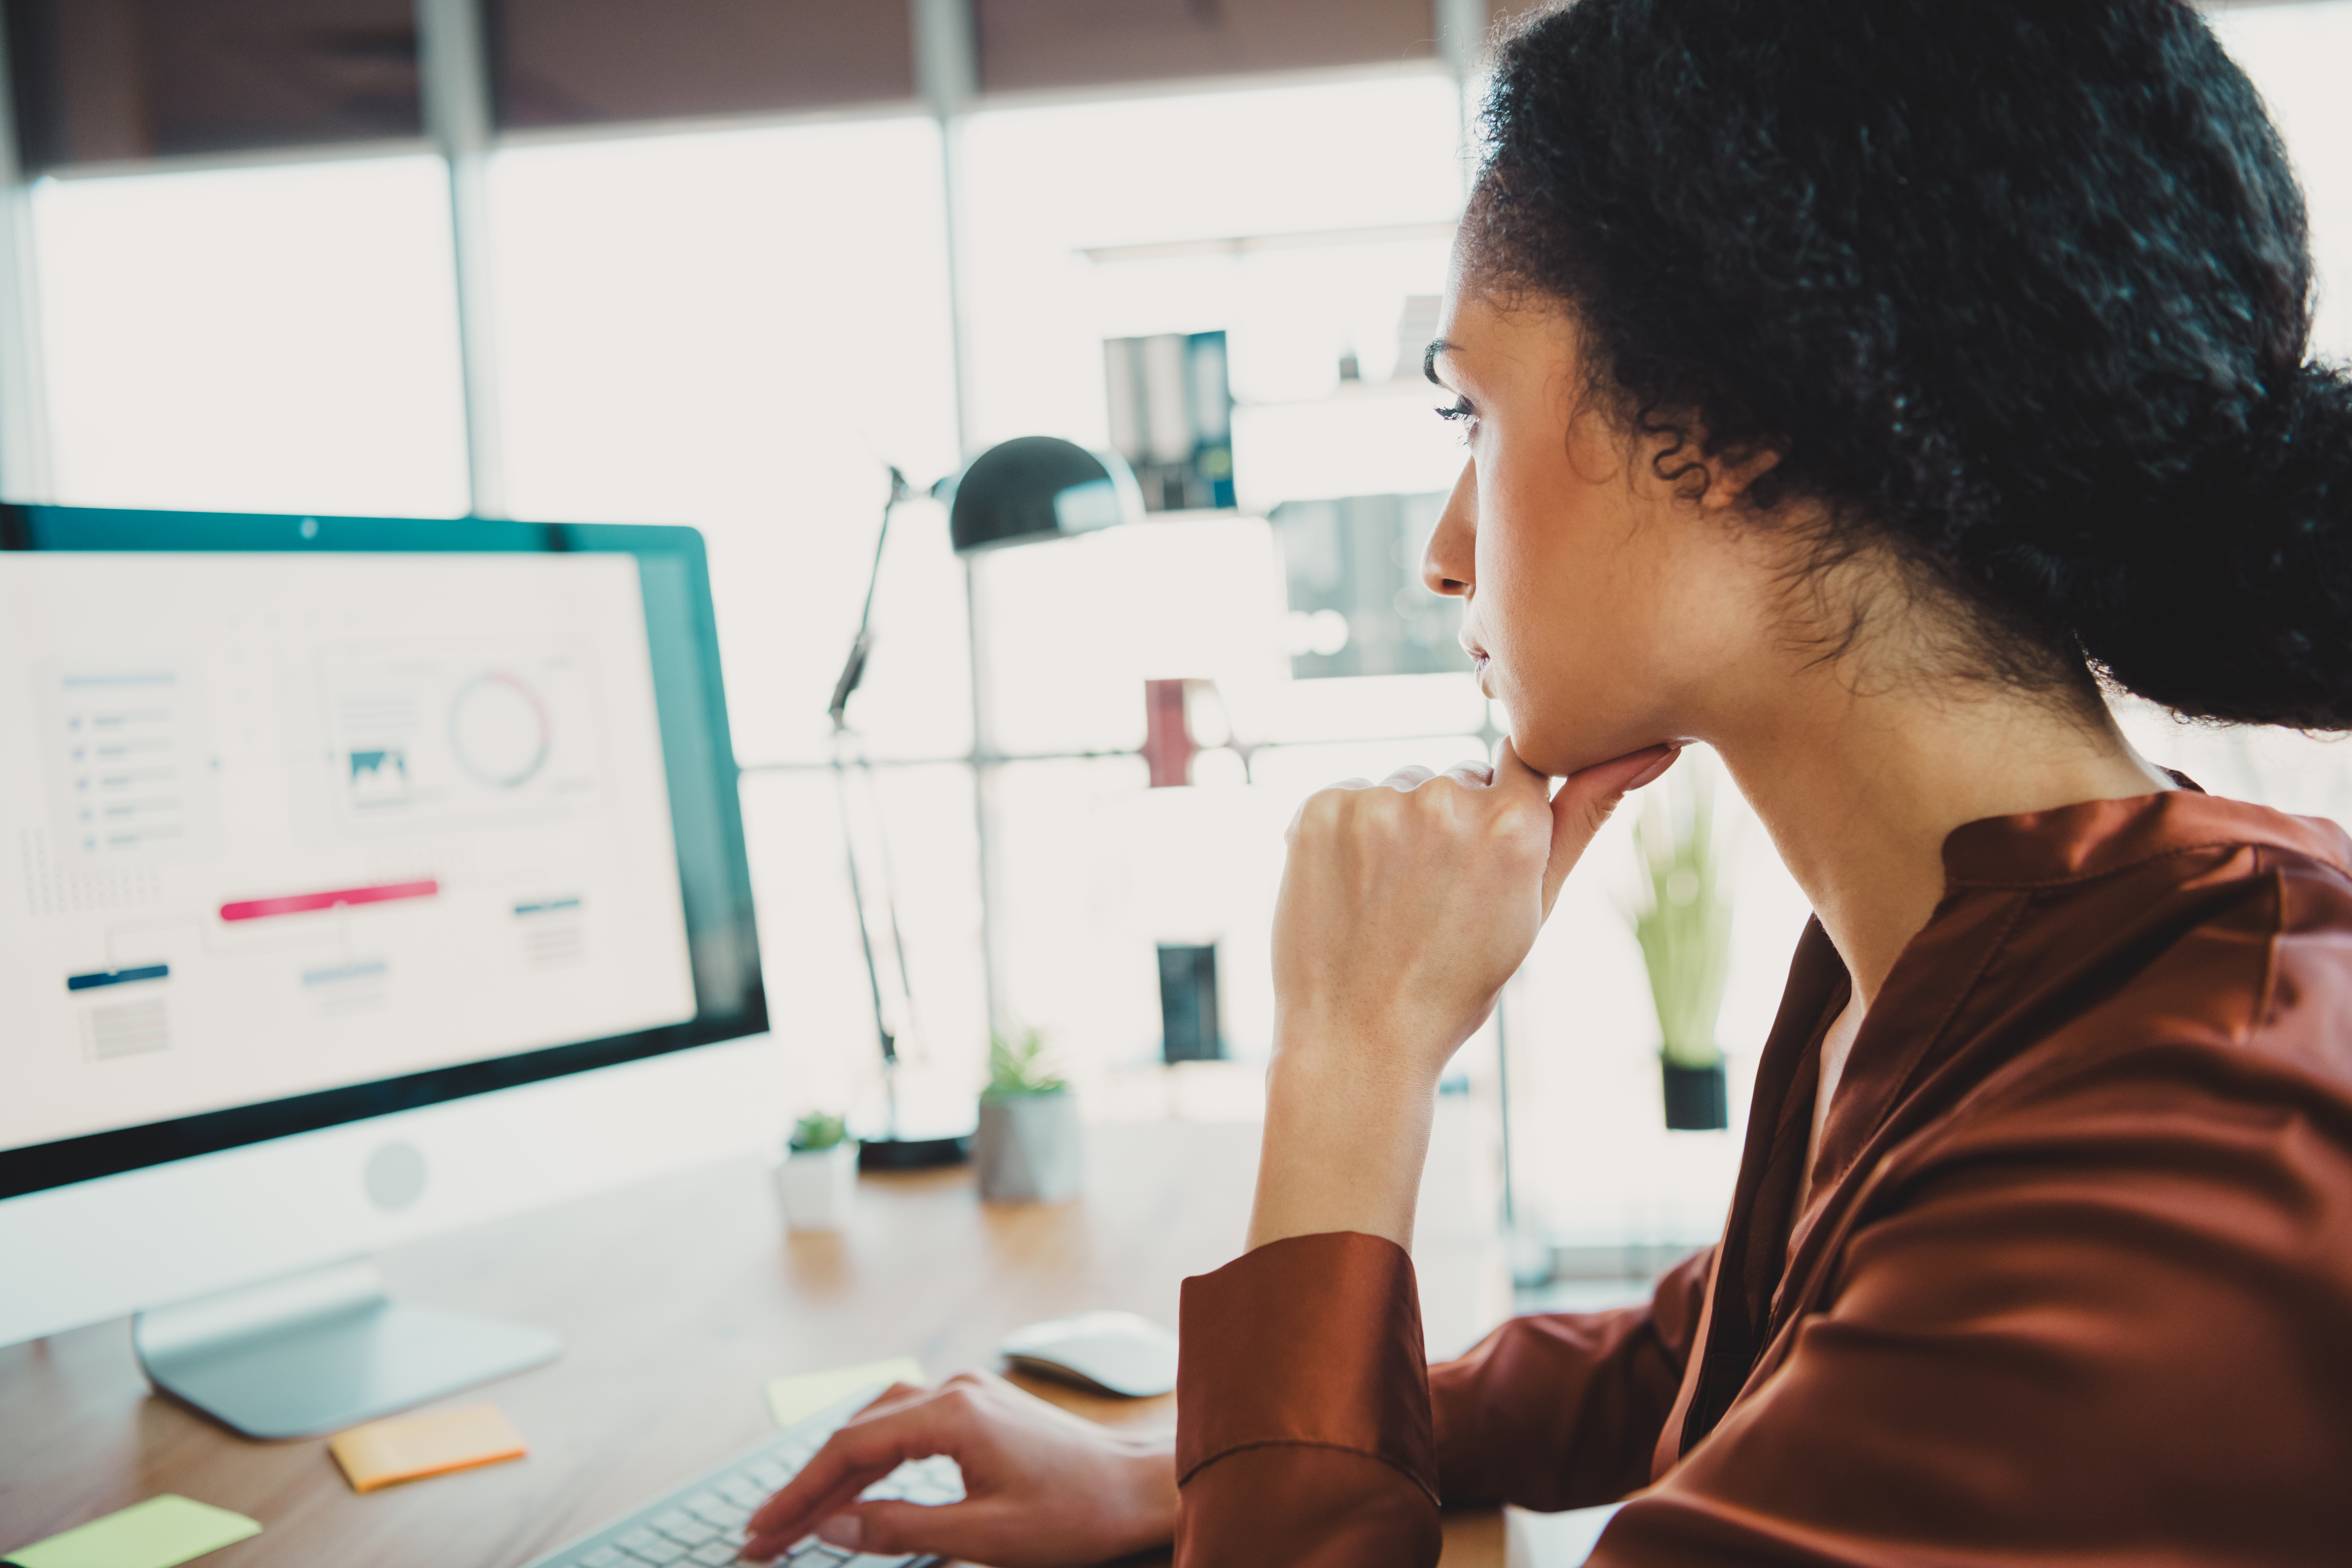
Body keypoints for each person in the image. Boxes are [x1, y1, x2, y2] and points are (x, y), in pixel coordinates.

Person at [741, 0, 2352, 1561]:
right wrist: (1187, 1460)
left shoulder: (2175, 1142)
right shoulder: (2018, 951)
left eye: (1472, 410)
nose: (1446, 555)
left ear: (1734, 427)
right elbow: (1717, 1349)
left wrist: (1353, 1063)